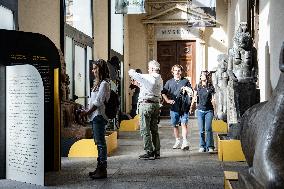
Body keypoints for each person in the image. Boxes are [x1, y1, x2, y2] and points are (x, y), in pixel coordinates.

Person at [80, 59, 110, 179]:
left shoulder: (104, 84)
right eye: (93, 68)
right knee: (98, 143)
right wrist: (86, 109)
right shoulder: (97, 83)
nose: (93, 71)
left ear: (101, 69)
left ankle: (102, 169)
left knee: (101, 143)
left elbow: (98, 102)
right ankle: (99, 168)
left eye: (95, 68)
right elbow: (93, 101)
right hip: (94, 116)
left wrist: (87, 111)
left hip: (99, 116)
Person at [128, 60, 163, 160]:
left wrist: (131, 69)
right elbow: (151, 88)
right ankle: (157, 151)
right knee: (154, 129)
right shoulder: (160, 79)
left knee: (145, 129)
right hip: (155, 105)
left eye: (149, 68)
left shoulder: (148, 77)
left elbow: (131, 73)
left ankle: (149, 151)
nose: (148, 69)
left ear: (152, 68)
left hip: (146, 105)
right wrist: (141, 85)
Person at [161, 64, 193, 150]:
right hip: (174, 108)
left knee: (184, 124)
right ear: (172, 72)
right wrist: (167, 100)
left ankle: (185, 141)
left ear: (181, 72)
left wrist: (186, 89)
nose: (177, 72)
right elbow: (163, 92)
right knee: (175, 125)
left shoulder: (185, 81)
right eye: (175, 70)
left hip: (184, 107)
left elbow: (191, 92)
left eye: (179, 70)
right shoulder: (169, 82)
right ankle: (177, 140)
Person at [190, 70, 216, 153]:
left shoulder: (211, 87)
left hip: (209, 110)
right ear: (200, 77)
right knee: (201, 129)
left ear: (207, 77)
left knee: (208, 129)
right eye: (201, 75)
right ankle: (202, 145)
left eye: (204, 75)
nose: (203, 76)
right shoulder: (197, 86)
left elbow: (213, 100)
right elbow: (194, 98)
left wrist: (215, 110)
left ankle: (210, 146)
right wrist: (191, 107)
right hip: (200, 110)